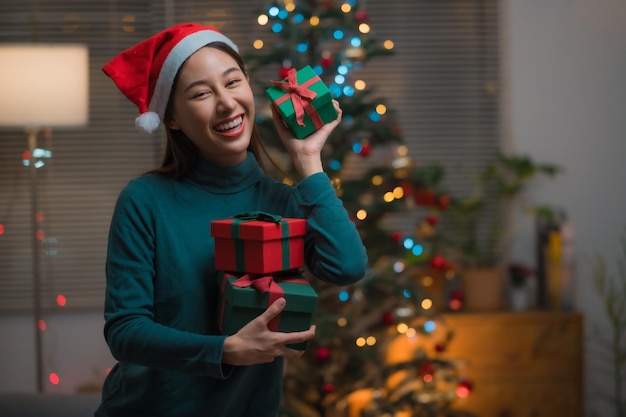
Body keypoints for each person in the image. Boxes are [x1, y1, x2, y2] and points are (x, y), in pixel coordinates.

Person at [95, 22, 367, 417]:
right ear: (171, 118)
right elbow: (124, 332)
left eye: (233, 82)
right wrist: (222, 351)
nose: (226, 104)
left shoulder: (283, 201)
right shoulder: (145, 200)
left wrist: (308, 160)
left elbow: (347, 266)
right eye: (202, 93)